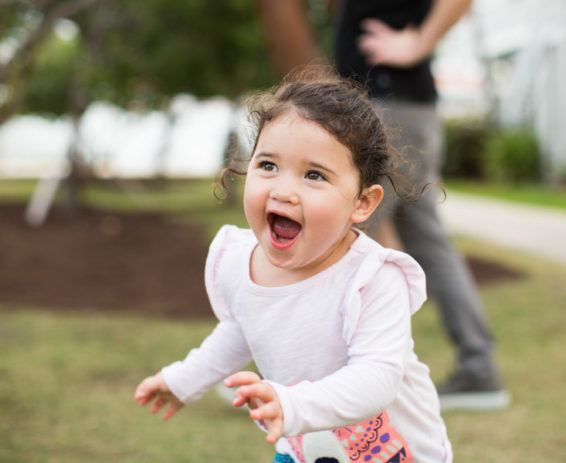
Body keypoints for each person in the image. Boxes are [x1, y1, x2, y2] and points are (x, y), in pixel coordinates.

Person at [134, 68, 453, 462]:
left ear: (362, 203)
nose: (283, 190)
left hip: (394, 452)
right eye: (268, 165)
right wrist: (184, 379)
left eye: (314, 175)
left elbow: (377, 377)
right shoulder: (239, 261)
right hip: (304, 448)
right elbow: (242, 331)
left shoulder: (372, 278)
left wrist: (292, 404)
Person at [255, 0, 510, 410]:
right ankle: (478, 367)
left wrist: (419, 43)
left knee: (331, 243)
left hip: (389, 111)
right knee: (428, 245)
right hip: (402, 109)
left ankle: (285, 378)